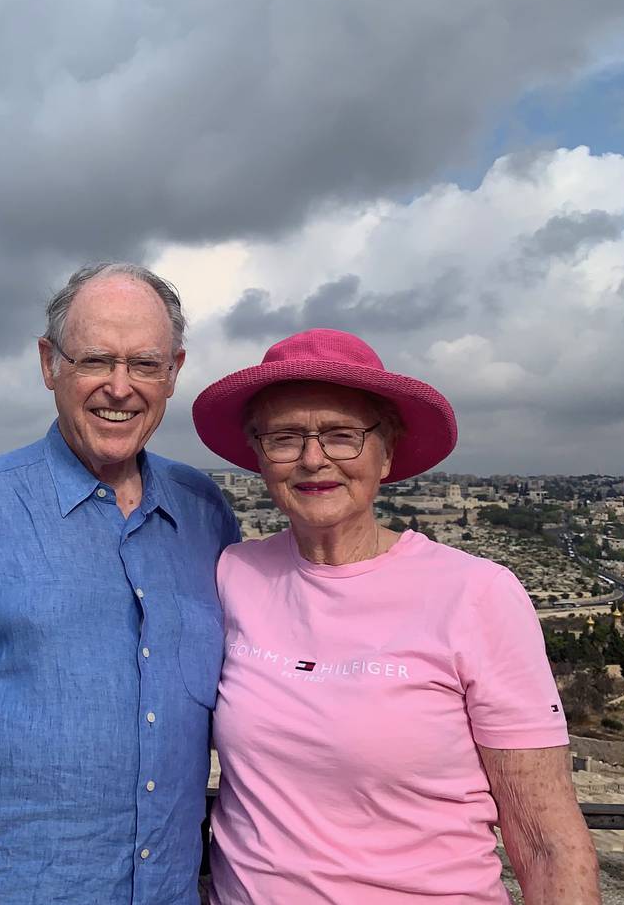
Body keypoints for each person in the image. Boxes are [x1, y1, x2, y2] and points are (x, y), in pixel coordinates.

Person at [0, 262, 239, 904]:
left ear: (174, 371)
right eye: (95, 361)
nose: (120, 388)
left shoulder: (204, 513)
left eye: (144, 364)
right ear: (48, 364)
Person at [190, 328, 599, 904]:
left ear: (388, 451)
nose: (313, 459)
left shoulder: (476, 593)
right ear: (259, 455)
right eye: (285, 437)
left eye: (342, 436)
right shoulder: (234, 573)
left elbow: (544, 838)